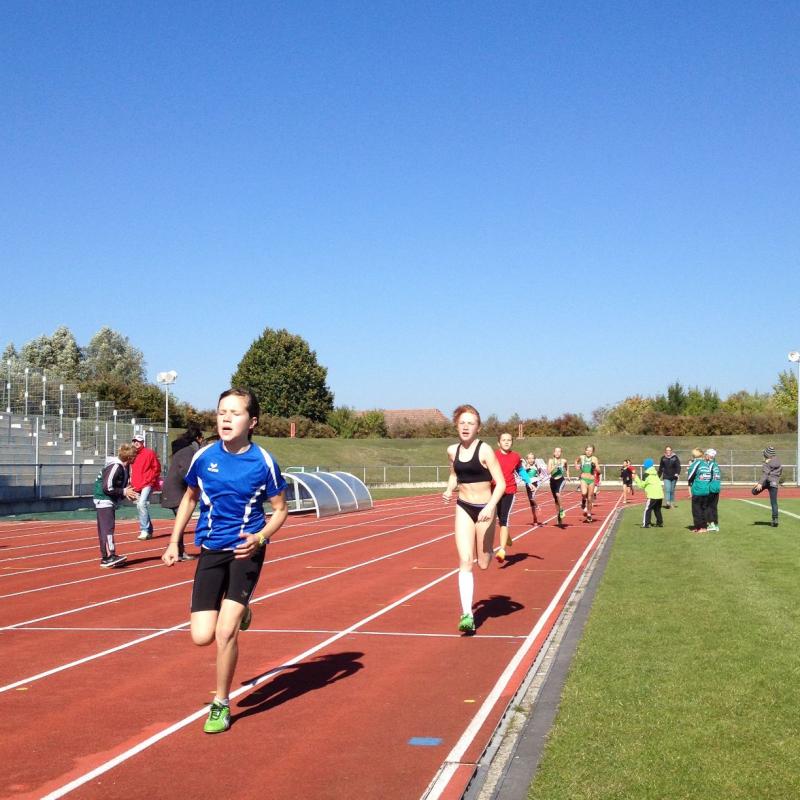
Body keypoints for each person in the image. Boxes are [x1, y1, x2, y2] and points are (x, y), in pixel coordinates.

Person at [162, 388, 288, 734]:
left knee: (225, 632)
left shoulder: (263, 462)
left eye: (235, 413)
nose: (226, 419)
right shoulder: (204, 457)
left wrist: (260, 537)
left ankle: (220, 703)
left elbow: (280, 510)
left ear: (252, 421)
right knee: (201, 636)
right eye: (221, 413)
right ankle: (243, 610)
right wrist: (174, 541)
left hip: (246, 549)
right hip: (211, 549)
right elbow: (190, 498)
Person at [443, 405, 506, 634]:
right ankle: (467, 615)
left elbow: (501, 483)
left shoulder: (485, 450)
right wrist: (449, 489)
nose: (466, 426)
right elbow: (454, 474)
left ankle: (490, 547)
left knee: (483, 562)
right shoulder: (452, 451)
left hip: (485, 508)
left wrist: (490, 507)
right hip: (464, 506)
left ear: (478, 428)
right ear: (456, 426)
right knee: (465, 560)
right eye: (462, 423)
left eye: (471, 423)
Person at [160, 423, 205, 561]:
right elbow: (186, 470)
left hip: (176, 490)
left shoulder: (185, 450)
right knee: (182, 521)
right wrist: (197, 482)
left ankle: (179, 550)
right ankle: (178, 551)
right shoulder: (188, 451)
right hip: (175, 491)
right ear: (198, 438)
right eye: (202, 438)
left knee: (182, 521)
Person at [93, 443, 139, 567]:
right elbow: (107, 487)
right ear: (129, 457)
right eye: (134, 456)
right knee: (107, 529)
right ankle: (109, 556)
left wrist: (126, 493)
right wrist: (123, 492)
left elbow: (120, 486)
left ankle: (107, 556)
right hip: (104, 500)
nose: (136, 458)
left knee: (106, 529)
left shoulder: (124, 467)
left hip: (108, 500)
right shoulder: (115, 466)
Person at [493, 433, 535, 563]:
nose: (506, 442)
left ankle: (502, 550)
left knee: (504, 519)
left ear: (512, 442)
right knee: (498, 518)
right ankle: (506, 536)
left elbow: (520, 470)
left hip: (509, 490)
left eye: (509, 440)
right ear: (498, 443)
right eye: (503, 440)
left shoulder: (515, 456)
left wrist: (528, 482)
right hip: (494, 491)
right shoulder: (493, 455)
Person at [130, 434, 162, 540]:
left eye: (138, 441)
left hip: (147, 483)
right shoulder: (132, 454)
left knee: (141, 504)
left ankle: (144, 530)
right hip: (136, 484)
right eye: (134, 441)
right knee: (140, 506)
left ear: (142, 442)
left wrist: (150, 479)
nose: (136, 443)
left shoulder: (149, 453)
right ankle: (149, 531)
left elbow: (157, 468)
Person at [754, 446, 782, 527]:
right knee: (774, 502)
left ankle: (757, 488)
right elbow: (780, 473)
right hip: (774, 483)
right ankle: (775, 519)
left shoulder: (767, 464)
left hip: (767, 481)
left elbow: (765, 474)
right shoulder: (778, 461)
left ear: (767, 455)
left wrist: (760, 483)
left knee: (754, 492)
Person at [632, 458, 664, 528]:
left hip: (652, 495)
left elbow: (641, 485)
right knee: (657, 509)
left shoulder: (646, 474)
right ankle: (660, 523)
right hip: (660, 494)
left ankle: (646, 524)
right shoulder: (655, 473)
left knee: (648, 509)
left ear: (646, 466)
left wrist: (636, 478)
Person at [687, 447, 711, 533]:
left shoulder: (696, 463)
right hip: (706, 490)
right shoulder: (706, 464)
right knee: (704, 509)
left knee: (696, 510)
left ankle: (700, 527)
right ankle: (702, 527)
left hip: (698, 490)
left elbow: (690, 476)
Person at [575, 445, 599, 523]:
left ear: (593, 452)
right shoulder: (582, 457)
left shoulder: (594, 459)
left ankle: (589, 514)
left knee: (589, 498)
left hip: (591, 480)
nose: (588, 452)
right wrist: (576, 466)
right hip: (583, 478)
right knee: (584, 493)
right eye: (587, 450)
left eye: (590, 451)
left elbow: (599, 470)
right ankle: (583, 500)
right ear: (585, 451)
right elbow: (576, 460)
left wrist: (594, 467)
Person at [520, 452, 545, 526]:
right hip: (528, 484)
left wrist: (540, 477)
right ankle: (535, 518)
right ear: (527, 460)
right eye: (529, 458)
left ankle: (537, 507)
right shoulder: (524, 467)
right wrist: (526, 468)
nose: (531, 460)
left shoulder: (536, 465)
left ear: (534, 459)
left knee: (532, 497)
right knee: (531, 501)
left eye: (532, 458)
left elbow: (541, 473)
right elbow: (522, 474)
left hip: (535, 482)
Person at [547, 446, 569, 526]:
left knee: (558, 494)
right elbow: (548, 472)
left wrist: (568, 475)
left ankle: (561, 509)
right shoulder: (551, 461)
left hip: (561, 480)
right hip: (553, 481)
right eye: (556, 451)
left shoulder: (563, 461)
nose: (557, 453)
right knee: (556, 500)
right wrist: (554, 467)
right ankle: (558, 516)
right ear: (553, 453)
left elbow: (567, 466)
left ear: (561, 453)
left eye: (559, 451)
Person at [705, 449, 722, 532]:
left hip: (711, 488)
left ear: (709, 456)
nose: (705, 456)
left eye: (706, 454)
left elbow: (707, 476)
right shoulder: (716, 465)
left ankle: (711, 524)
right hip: (717, 488)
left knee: (708, 506)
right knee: (714, 507)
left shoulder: (710, 464)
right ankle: (716, 524)